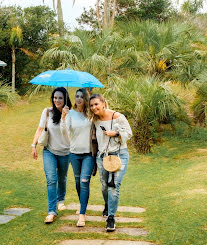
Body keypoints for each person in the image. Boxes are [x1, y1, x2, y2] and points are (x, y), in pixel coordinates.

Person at [89, 94, 132, 231]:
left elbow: (129, 134)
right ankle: (108, 205)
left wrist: (116, 133)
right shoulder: (94, 120)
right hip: (102, 157)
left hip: (119, 156)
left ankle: (111, 218)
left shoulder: (118, 117)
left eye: (96, 104)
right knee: (104, 186)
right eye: (91, 105)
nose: (94, 107)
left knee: (113, 186)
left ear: (103, 103)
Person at [31, 87, 72, 224]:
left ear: (65, 99)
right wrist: (33, 145)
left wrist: (65, 117)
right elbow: (40, 129)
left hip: (65, 152)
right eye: (55, 97)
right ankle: (51, 211)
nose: (57, 100)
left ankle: (61, 199)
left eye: (60, 98)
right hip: (49, 151)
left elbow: (71, 134)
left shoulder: (71, 114)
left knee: (62, 177)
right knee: (51, 179)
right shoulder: (47, 112)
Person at [61, 89, 95, 227]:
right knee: (77, 181)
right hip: (74, 153)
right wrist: (63, 117)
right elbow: (64, 131)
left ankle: (82, 214)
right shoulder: (70, 114)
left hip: (88, 153)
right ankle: (82, 205)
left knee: (84, 181)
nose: (79, 99)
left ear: (86, 99)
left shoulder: (91, 115)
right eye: (77, 96)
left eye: (82, 97)